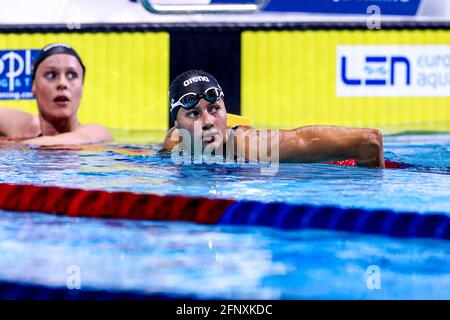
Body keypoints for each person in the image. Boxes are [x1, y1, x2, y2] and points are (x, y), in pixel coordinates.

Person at [162, 69, 385, 168]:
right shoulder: (175, 142)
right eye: (194, 113)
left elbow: (369, 141)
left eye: (214, 109)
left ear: (226, 112)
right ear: (177, 124)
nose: (208, 121)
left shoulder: (254, 146)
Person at [0, 43, 112, 146]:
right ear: (33, 86)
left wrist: (14, 147)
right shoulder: (25, 126)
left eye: (72, 75)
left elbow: (78, 138)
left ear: (82, 87)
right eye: (51, 75)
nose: (62, 83)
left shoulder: (97, 133)